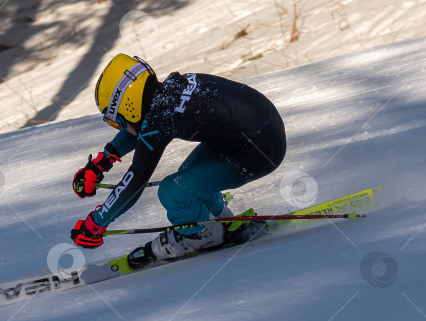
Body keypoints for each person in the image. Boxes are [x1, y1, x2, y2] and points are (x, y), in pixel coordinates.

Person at [70, 53, 287, 267]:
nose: (121, 126)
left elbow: (136, 180)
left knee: (172, 191)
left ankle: (202, 235)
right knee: (187, 177)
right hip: (259, 135)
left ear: (129, 105)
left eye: (119, 121)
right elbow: (141, 128)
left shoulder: (162, 118)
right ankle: (223, 219)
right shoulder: (169, 92)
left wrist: (95, 224)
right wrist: (103, 161)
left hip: (257, 153)